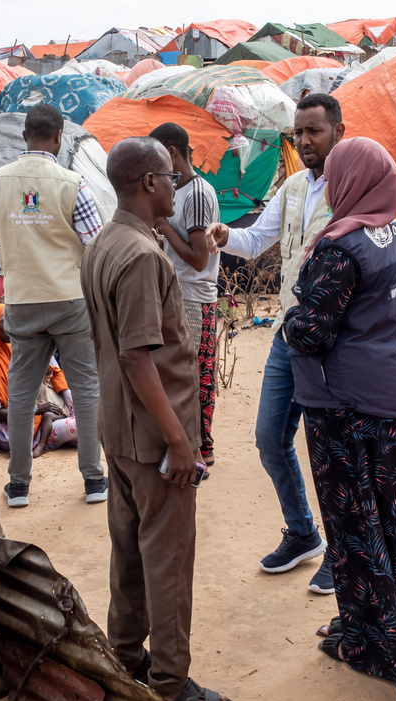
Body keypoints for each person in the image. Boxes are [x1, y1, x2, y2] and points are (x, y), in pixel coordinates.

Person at [283, 137, 396, 701]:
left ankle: (376, 646)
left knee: (361, 530)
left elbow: (311, 332)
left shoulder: (341, 249)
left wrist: (289, 317)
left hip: (350, 413)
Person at [81, 137, 231, 701]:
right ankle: (169, 683)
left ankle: (125, 655)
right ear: (148, 184)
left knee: (129, 553)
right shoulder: (143, 256)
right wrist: (179, 440)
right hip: (152, 437)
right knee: (167, 560)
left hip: (117, 431)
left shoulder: (106, 243)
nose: (178, 185)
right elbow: (138, 357)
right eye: (170, 177)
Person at [205, 93, 344, 593]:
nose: (305, 141)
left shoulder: (351, 187)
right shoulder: (291, 187)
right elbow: (256, 240)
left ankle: (344, 550)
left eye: (315, 131)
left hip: (334, 342)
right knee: (270, 438)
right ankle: (305, 532)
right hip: (289, 334)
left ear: (338, 132)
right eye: (299, 133)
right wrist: (223, 235)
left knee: (331, 449)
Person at [0, 103, 106, 508]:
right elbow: (96, 243)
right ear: (58, 137)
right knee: (85, 389)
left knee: (21, 391)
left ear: (24, 136)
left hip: (22, 300)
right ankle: (93, 479)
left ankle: (18, 485)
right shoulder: (73, 183)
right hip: (70, 299)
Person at [148, 122, 221, 466]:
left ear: (173, 153)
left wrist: (162, 226)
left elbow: (198, 257)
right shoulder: (180, 191)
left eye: (159, 157)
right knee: (182, 372)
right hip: (181, 292)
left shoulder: (198, 194)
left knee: (196, 375)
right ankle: (190, 445)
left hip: (195, 295)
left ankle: (200, 447)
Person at [0, 302, 79, 456]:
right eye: (5, 322)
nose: (12, 326)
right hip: (14, 432)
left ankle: (73, 416)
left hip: (41, 418)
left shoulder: (13, 350)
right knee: (87, 426)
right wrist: (36, 409)